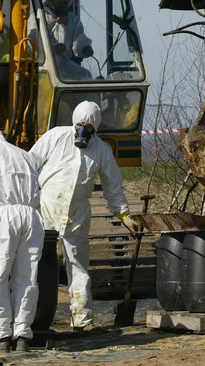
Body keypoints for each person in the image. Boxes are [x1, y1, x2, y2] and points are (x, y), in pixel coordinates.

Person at [28, 100, 137, 332]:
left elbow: (113, 187)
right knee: (35, 263)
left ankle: (81, 320)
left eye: (88, 127)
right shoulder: (55, 136)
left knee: (78, 267)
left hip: (77, 214)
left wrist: (124, 215)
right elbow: (30, 164)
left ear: (95, 128)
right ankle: (29, 317)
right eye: (80, 124)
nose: (82, 130)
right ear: (73, 122)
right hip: (46, 208)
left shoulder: (102, 150)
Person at [0, 132, 45, 353]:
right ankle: (22, 337)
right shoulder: (24, 155)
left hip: (5, 216)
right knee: (26, 278)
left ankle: (2, 336)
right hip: (32, 217)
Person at [44, 0, 93, 80]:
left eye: (65, 3)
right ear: (50, 1)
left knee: (86, 76)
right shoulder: (39, 17)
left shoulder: (73, 20)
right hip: (45, 66)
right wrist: (53, 48)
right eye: (60, 3)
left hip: (65, 64)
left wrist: (85, 48)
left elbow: (79, 38)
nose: (63, 6)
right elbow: (34, 43)